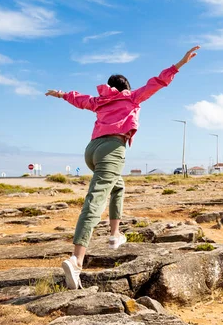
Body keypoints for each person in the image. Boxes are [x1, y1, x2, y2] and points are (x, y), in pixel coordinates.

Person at [45, 46, 201, 289]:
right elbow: (158, 82)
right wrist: (180, 64)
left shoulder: (99, 101)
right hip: (112, 149)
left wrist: (60, 94)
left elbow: (78, 99)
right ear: (126, 87)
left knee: (118, 187)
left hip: (92, 150)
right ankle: (76, 260)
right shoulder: (131, 97)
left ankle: (114, 236)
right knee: (94, 201)